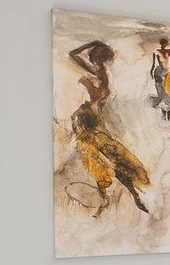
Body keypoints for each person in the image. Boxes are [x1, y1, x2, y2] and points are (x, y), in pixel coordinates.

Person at [65, 40, 151, 215]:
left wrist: (91, 43)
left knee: (101, 159)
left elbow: (72, 54)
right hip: (93, 119)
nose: (88, 55)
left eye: (92, 53)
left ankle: (108, 198)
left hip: (89, 120)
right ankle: (131, 195)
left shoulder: (98, 73)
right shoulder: (102, 73)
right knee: (110, 159)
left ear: (96, 56)